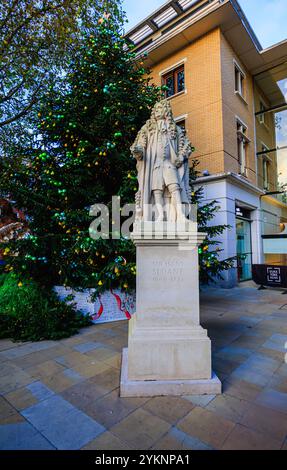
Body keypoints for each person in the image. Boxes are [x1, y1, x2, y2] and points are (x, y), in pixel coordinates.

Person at [131, 99, 193, 222]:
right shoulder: (147, 128)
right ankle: (160, 216)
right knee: (157, 190)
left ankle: (180, 215)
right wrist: (137, 151)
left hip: (169, 164)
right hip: (155, 164)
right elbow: (140, 146)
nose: (158, 111)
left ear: (166, 111)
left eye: (160, 108)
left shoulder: (175, 129)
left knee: (175, 188)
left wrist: (181, 156)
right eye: (156, 109)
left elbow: (186, 145)